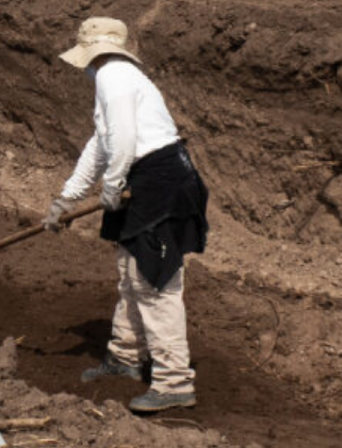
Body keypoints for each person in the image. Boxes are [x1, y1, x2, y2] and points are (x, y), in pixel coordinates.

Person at [44, 17, 209, 412]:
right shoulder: (117, 77)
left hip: (160, 180)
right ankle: (125, 355)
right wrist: (67, 198)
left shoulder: (113, 77)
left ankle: (173, 382)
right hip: (145, 176)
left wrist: (112, 186)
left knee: (154, 279)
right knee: (130, 270)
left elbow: (124, 140)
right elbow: (101, 144)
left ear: (91, 51)